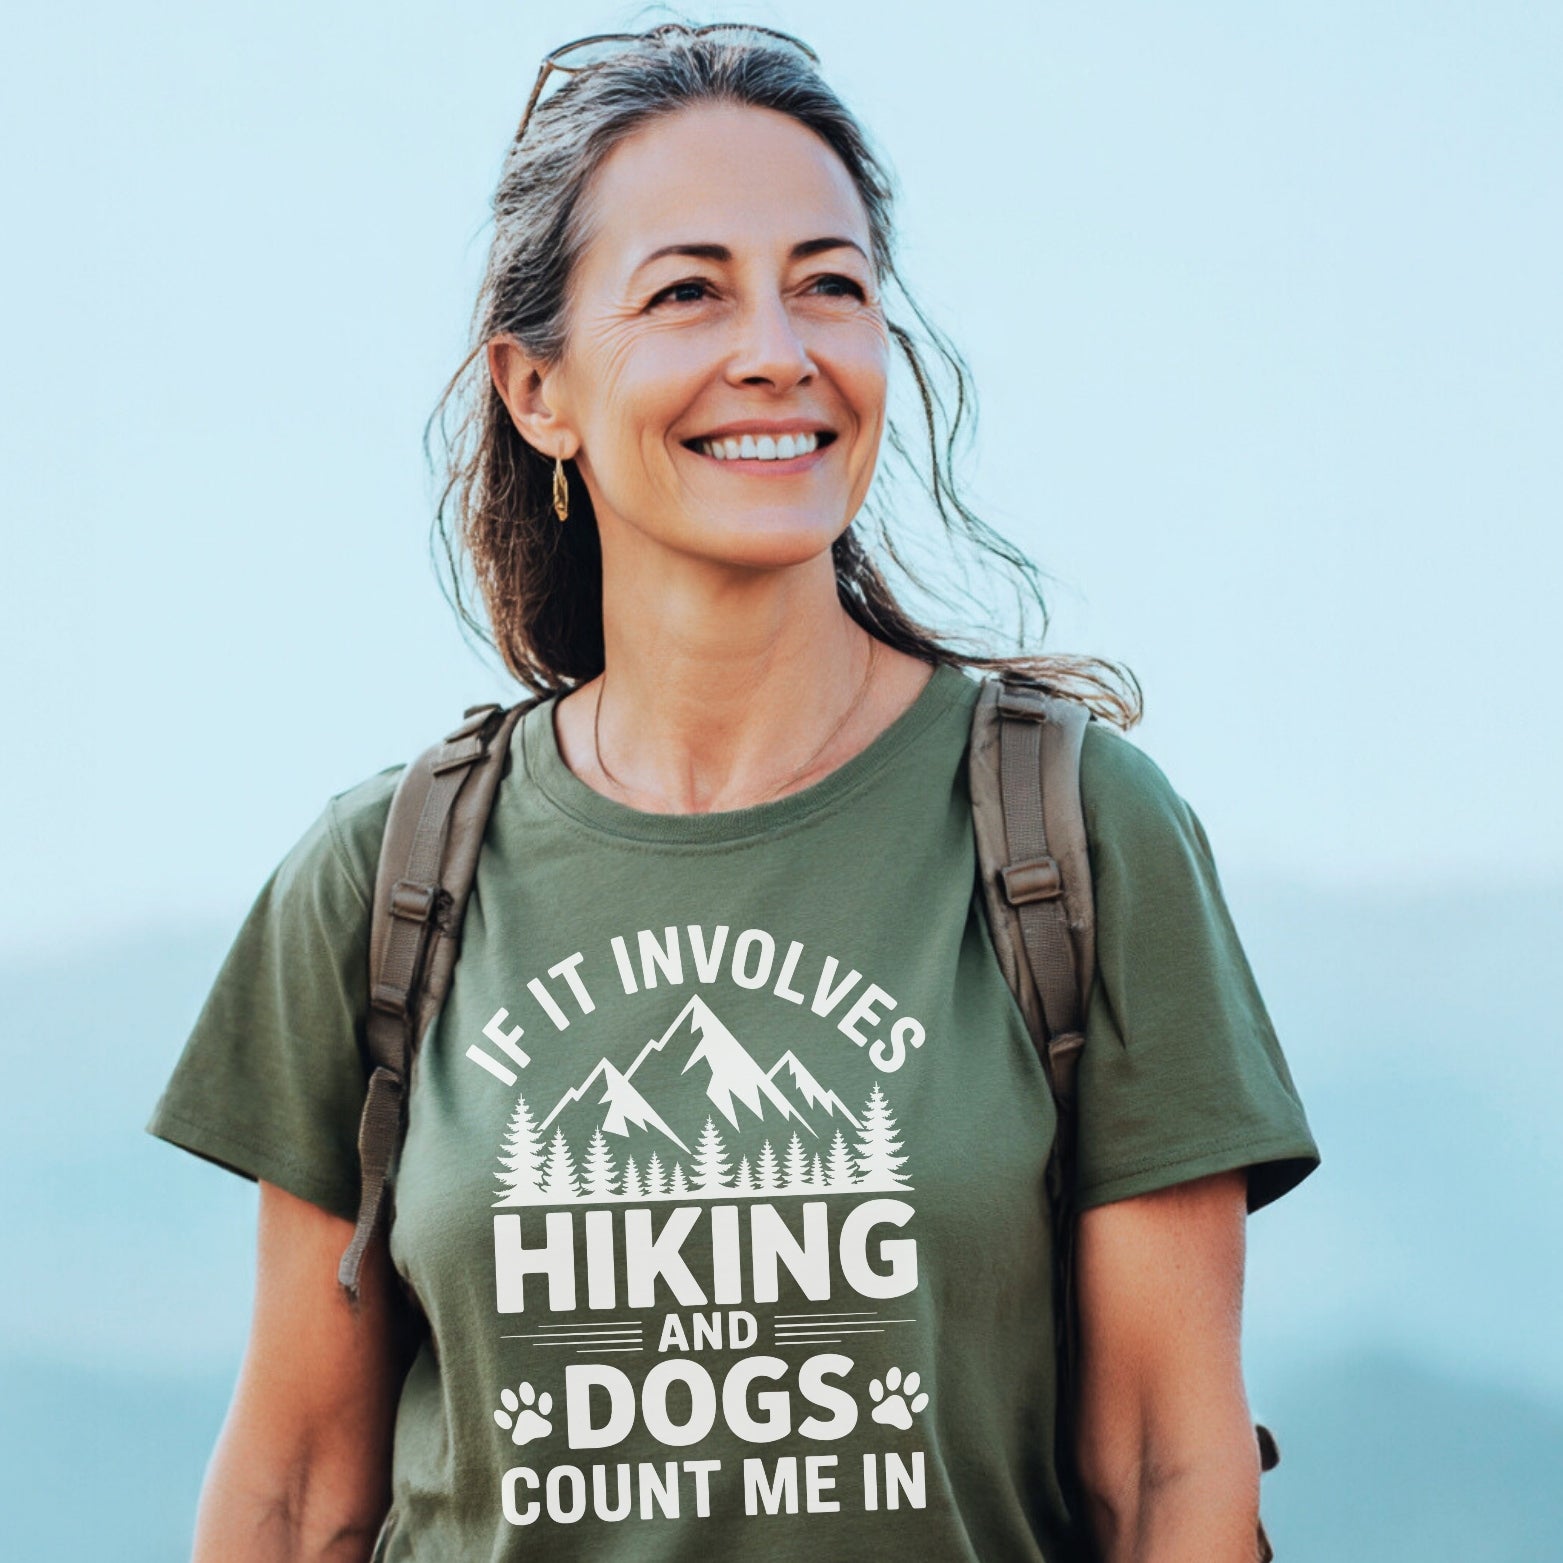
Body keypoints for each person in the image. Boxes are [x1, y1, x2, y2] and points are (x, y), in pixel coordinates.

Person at [147, 23, 1319, 1563]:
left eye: (829, 283)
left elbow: (1171, 1476)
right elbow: (298, 1494)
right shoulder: (388, 877)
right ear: (536, 388)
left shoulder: (1077, 835)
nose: (778, 348)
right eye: (689, 290)